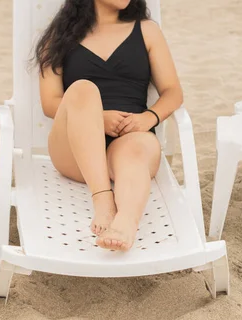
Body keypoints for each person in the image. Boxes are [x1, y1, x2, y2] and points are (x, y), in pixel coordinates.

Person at [35, 0, 183, 251]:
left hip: (130, 135)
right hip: (74, 148)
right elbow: (50, 103)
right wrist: (98, 118)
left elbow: (173, 92)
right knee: (83, 89)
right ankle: (103, 200)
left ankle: (125, 222)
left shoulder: (147, 31)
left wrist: (148, 118)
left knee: (135, 151)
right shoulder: (59, 37)